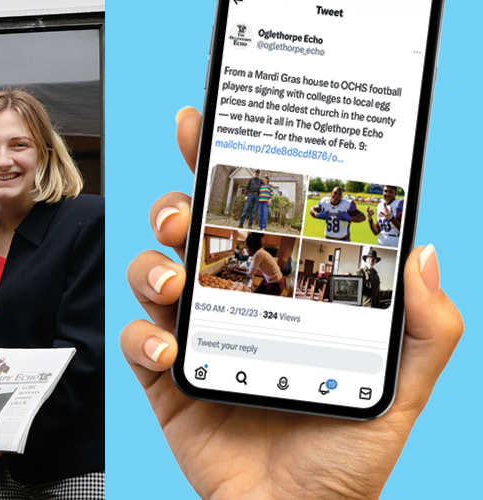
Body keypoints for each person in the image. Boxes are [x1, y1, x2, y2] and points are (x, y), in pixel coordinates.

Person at [124, 106, 463, 500]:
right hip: (272, 283)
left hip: (276, 284)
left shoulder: (281, 234)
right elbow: (273, 248)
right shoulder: (264, 221)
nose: (337, 194)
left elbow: (259, 270)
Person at [0, 90, 104, 499]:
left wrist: (6, 430)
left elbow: (86, 356)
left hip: (74, 466)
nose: (2, 161)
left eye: (19, 145)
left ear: (45, 153)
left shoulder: (87, 222)